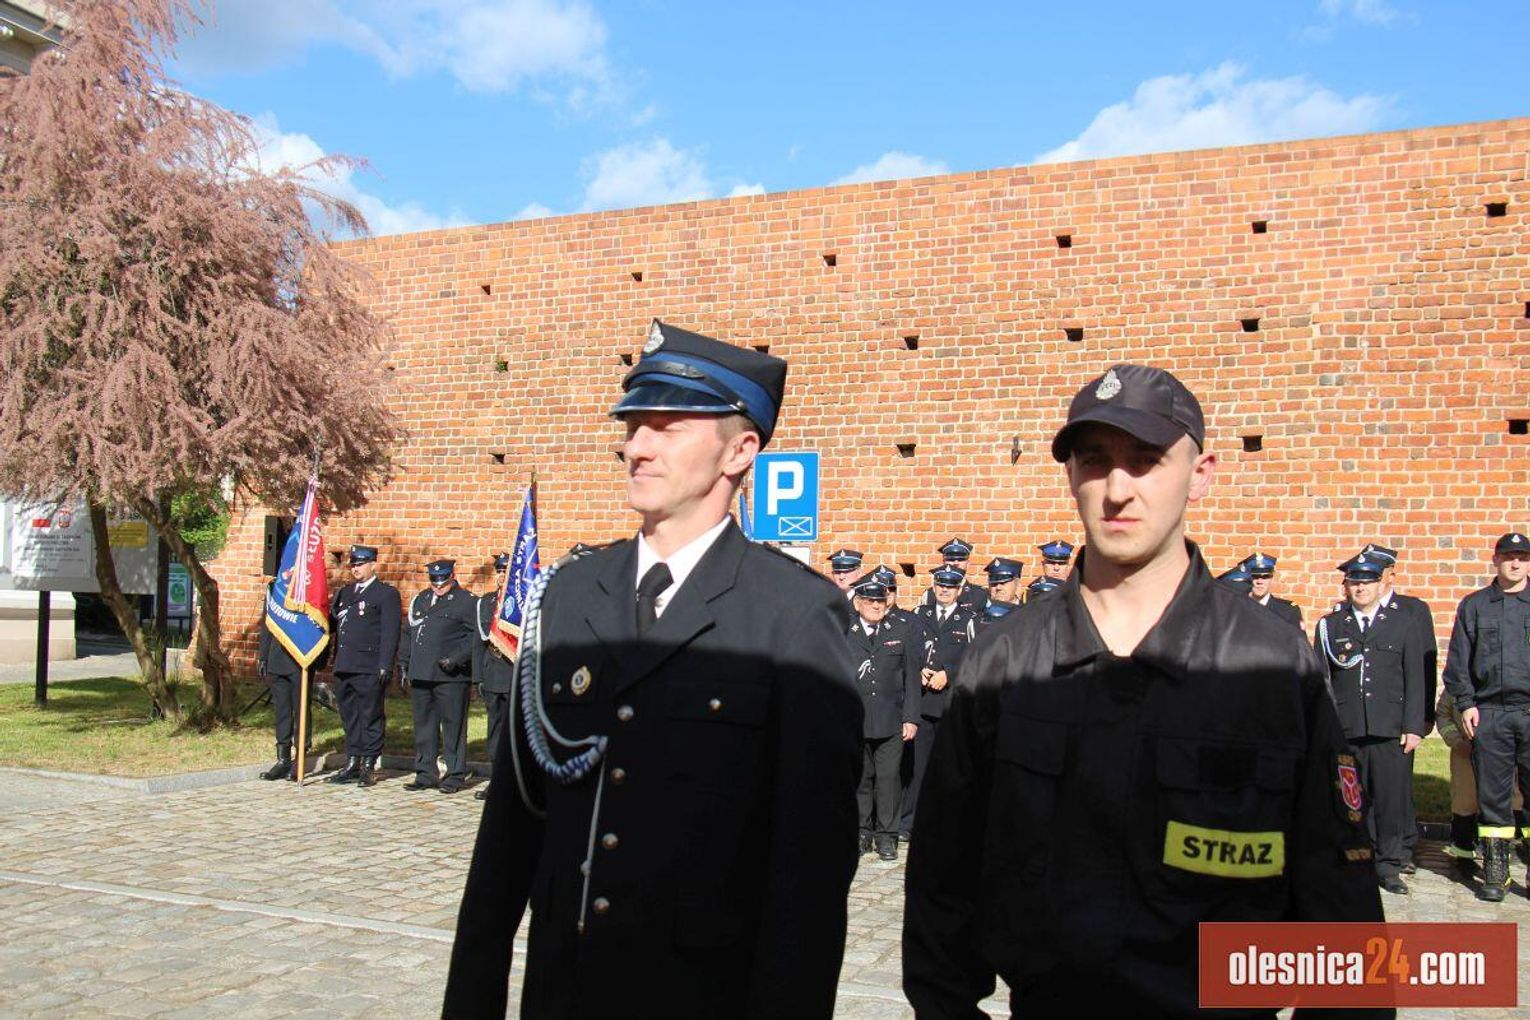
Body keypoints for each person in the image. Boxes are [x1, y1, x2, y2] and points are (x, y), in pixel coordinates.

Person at [904, 364, 1385, 1017]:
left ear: (1201, 473)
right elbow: (941, 884)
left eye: (1145, 460)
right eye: (1095, 460)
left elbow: (1345, 926)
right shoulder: (1004, 661)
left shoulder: (1271, 667)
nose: (1117, 489)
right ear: (1070, 475)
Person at [444, 319, 862, 1020]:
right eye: (634, 426)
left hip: (702, 996)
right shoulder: (568, 593)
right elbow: (510, 832)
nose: (637, 447)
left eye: (668, 428)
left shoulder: (793, 614)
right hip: (563, 991)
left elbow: (809, 872)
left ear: (740, 451)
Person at [1315, 554, 1427, 895]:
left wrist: (1414, 726)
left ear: (1381, 584)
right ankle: (1355, 860)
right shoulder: (1331, 626)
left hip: (1390, 727)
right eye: (1354, 582)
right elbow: (1322, 680)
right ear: (1346, 586)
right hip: (1347, 727)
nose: (1361, 587)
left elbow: (1415, 678)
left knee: (1390, 801)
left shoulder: (1403, 623)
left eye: (1367, 582)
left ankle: (1389, 865)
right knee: (1351, 801)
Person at [1441, 531, 1530, 901]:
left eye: (1522, 557)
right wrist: (1465, 703)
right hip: (1489, 714)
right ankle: (1497, 872)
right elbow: (1458, 662)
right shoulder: (1475, 605)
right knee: (1493, 797)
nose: (1515, 563)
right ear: (1495, 560)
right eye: (1508, 556)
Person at [847, 574, 921, 861]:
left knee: (889, 780)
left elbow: (911, 678)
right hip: (856, 719)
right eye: (871, 601)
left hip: (891, 720)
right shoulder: (845, 630)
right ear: (858, 603)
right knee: (861, 778)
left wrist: (911, 718)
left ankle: (887, 836)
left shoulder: (900, 630)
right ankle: (861, 832)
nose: (877, 606)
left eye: (881, 601)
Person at [902, 564, 977, 842]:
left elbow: (975, 656)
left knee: (949, 767)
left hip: (949, 703)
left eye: (950, 586)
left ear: (959, 590)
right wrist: (919, 668)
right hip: (922, 702)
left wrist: (949, 673)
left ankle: (945, 823)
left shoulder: (969, 619)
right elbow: (908, 650)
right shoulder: (919, 615)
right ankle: (909, 822)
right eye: (940, 585)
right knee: (917, 767)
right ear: (934, 587)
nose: (944, 590)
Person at [324, 544, 400, 788]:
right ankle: (353, 760)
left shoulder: (385, 594)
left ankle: (369, 764)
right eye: (353, 564)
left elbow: (390, 632)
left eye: (360, 564)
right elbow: (331, 624)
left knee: (370, 715)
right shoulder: (345, 593)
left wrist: (385, 664)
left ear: (373, 564)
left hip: (369, 665)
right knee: (350, 716)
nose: (355, 568)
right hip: (345, 664)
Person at [401, 559, 478, 793]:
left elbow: (476, 636)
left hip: (450, 677)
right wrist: (404, 663)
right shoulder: (421, 599)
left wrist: (456, 658)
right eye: (434, 582)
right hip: (421, 673)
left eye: (442, 582)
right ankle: (425, 772)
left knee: (453, 727)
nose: (438, 586)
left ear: (452, 576)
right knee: (424, 726)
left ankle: (455, 774)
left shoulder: (466, 601)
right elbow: (409, 632)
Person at [256, 579, 316, 781]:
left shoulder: (309, 583)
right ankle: (283, 759)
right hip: (276, 655)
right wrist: (263, 655)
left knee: (301, 709)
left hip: (300, 658)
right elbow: (268, 622)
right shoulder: (276, 586)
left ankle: (300, 758)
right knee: (281, 710)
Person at [473, 552, 515, 801]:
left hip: (513, 671)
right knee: (495, 729)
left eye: (506, 571)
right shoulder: (487, 602)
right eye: (499, 571)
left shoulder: (523, 603)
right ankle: (495, 779)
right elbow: (478, 643)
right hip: (492, 671)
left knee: (516, 730)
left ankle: (515, 782)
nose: (501, 575)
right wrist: (478, 676)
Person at [919, 538, 988, 612]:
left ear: (968, 564)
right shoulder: (929, 595)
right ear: (944, 562)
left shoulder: (980, 594)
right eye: (951, 559)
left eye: (960, 559)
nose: (956, 563)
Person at [1244, 552, 1302, 627]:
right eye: (1255, 577)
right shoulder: (1237, 608)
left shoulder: (1288, 611)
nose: (1260, 581)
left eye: (1265, 577)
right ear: (1247, 578)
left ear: (1272, 578)